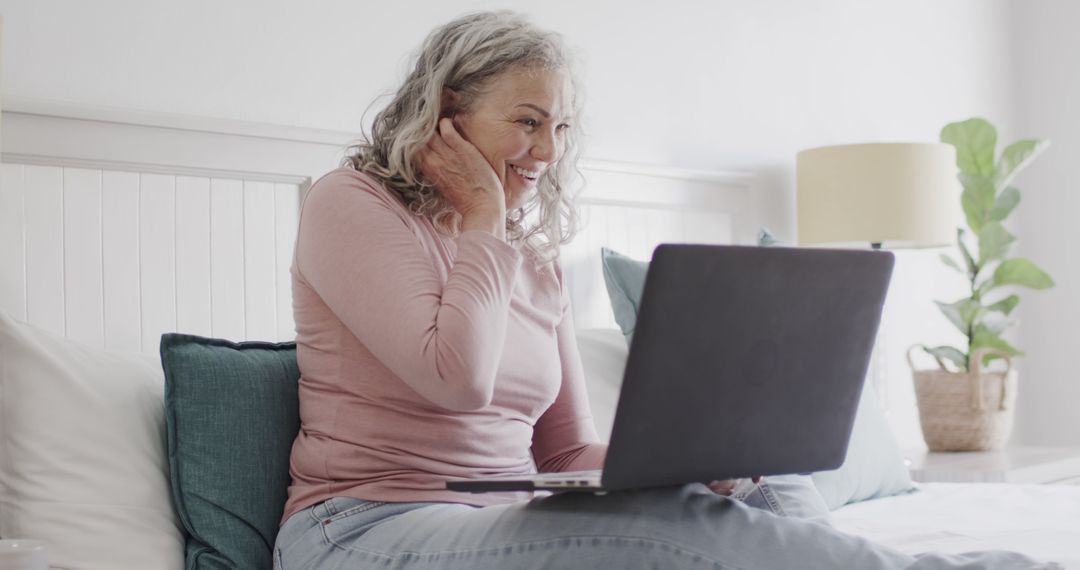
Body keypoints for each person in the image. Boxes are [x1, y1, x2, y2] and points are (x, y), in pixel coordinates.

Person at [272, 10, 1056, 569]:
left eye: (562, 127)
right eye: (527, 121)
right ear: (448, 116)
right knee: (672, 519)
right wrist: (482, 217)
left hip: (503, 519)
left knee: (762, 474)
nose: (548, 150)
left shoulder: (532, 261)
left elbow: (566, 449)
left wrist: (691, 464)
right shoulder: (350, 204)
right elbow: (456, 376)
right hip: (365, 529)